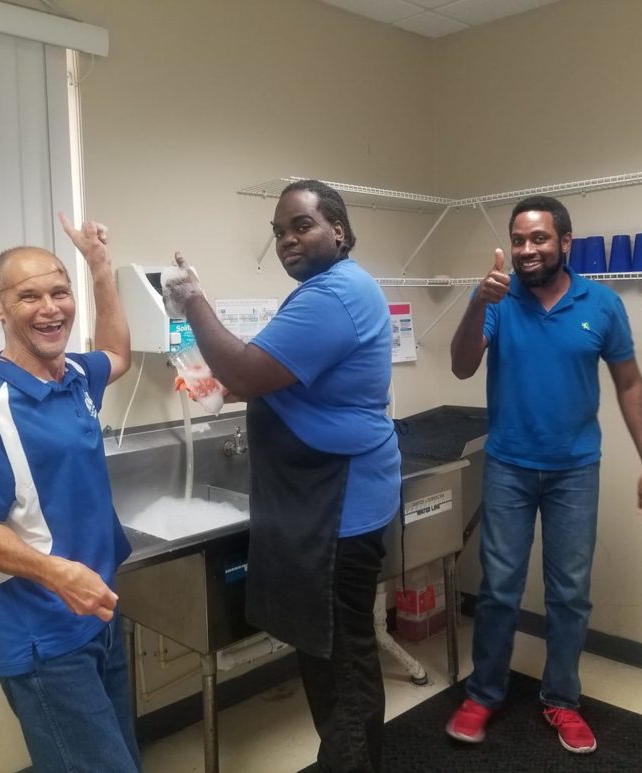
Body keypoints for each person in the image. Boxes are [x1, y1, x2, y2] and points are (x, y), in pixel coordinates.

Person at [160, 180, 400, 773]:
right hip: (330, 498)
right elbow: (259, 376)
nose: (287, 239)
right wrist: (223, 378)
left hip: (336, 504)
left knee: (339, 662)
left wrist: (193, 301)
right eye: (278, 232)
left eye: (302, 225)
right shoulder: (332, 290)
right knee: (337, 657)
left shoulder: (333, 295)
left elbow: (244, 369)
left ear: (338, 230)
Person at [446, 195, 642, 754]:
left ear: (565, 243)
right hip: (509, 468)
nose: (527, 250)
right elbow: (462, 364)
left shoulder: (602, 304)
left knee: (569, 594)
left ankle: (562, 700)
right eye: (518, 239)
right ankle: (484, 693)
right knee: (498, 589)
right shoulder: (498, 299)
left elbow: (629, 384)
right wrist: (476, 302)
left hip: (574, 472)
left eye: (539, 239)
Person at [0, 214, 139, 772]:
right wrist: (59, 575)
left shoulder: (74, 375)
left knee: (123, 758)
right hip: (43, 634)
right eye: (29, 296)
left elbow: (117, 353)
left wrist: (100, 267)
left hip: (97, 613)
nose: (50, 308)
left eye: (60, 292)